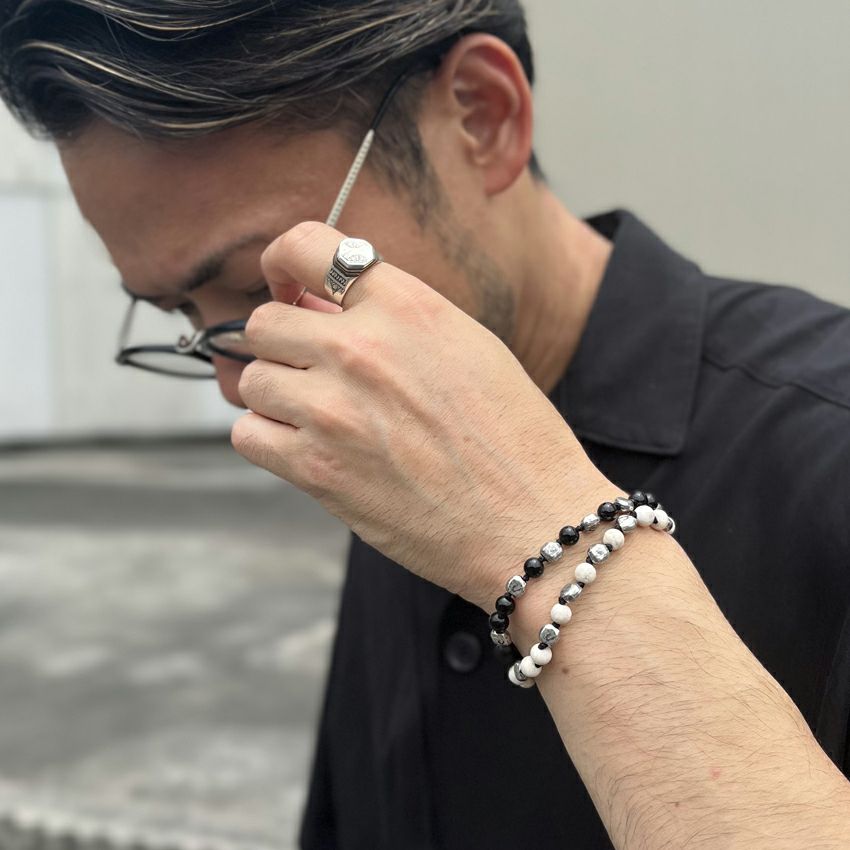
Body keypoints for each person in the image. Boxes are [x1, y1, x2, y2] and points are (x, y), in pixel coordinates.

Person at [2, 2, 849, 848]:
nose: (239, 383)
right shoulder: (390, 434)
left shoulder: (823, 452)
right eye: (181, 314)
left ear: (483, 118)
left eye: (265, 290)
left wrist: (542, 536)